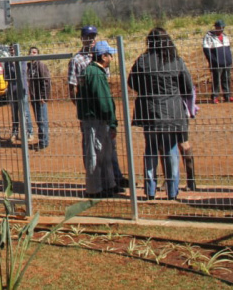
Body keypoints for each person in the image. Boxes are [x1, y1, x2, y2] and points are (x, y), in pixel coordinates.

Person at [128, 28, 192, 200]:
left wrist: (147, 91)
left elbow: (131, 81)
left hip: (149, 112)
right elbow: (187, 85)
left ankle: (150, 190)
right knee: (170, 150)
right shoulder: (175, 60)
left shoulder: (142, 60)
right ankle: (172, 190)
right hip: (172, 112)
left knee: (151, 149)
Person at [68, 26, 127, 190]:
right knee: (93, 149)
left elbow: (104, 88)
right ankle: (96, 186)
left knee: (108, 148)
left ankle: (113, 179)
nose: (91, 39)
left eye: (94, 36)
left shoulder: (100, 58)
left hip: (101, 115)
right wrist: (85, 108)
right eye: (88, 36)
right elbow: (73, 89)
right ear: (82, 38)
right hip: (92, 115)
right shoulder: (77, 60)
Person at [77, 40, 119, 198]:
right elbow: (104, 100)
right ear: (102, 57)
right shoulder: (95, 74)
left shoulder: (93, 71)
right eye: (109, 55)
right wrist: (112, 121)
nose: (112, 58)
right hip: (97, 120)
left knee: (105, 154)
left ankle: (108, 184)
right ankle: (95, 189)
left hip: (98, 119)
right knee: (95, 154)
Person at [202, 19, 233, 103]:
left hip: (226, 62)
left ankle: (227, 96)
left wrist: (230, 59)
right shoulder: (209, 37)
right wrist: (213, 61)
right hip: (216, 63)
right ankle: (214, 97)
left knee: (226, 79)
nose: (221, 29)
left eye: (222, 27)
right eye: (220, 27)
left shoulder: (224, 36)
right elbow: (206, 50)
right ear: (216, 27)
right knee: (216, 80)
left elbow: (228, 49)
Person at [26, 46, 51, 150]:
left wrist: (43, 96)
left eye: (35, 52)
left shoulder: (40, 65)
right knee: (38, 120)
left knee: (42, 120)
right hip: (34, 97)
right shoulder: (30, 66)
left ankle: (44, 142)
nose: (33, 54)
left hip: (40, 98)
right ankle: (42, 140)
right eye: (31, 52)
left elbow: (46, 81)